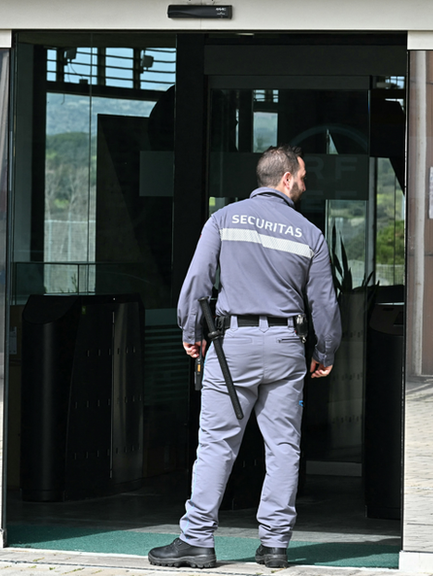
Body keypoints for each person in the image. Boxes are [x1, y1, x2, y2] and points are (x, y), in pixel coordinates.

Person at [148, 145, 341, 569]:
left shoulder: (224, 219)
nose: (305, 185)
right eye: (303, 177)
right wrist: (325, 350)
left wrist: (190, 330)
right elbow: (324, 303)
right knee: (284, 447)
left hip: (231, 345)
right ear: (286, 179)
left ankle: (197, 539)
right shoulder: (311, 234)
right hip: (287, 347)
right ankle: (274, 546)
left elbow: (198, 278)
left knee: (217, 445)